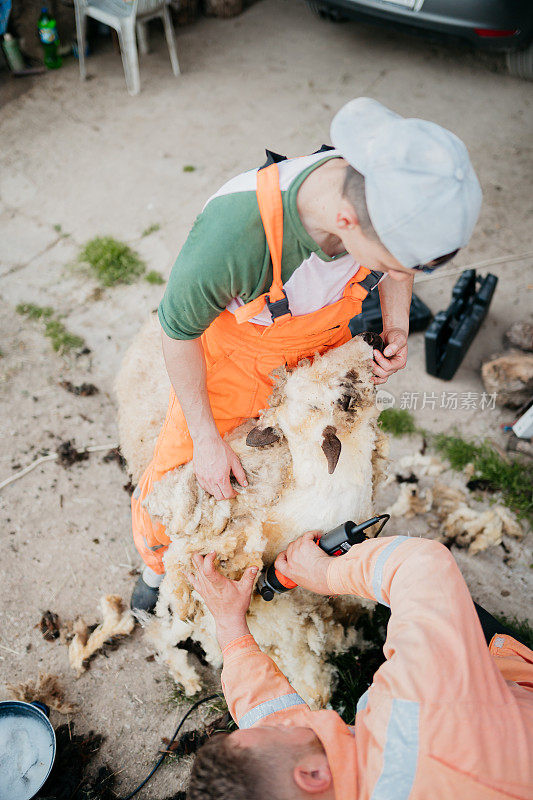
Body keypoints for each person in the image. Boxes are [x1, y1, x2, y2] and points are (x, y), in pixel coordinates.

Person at [130, 98, 482, 611]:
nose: (397, 269)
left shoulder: (373, 186)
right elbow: (177, 333)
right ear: (346, 221)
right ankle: (155, 567)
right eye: (391, 257)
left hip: (322, 356)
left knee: (327, 476)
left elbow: (396, 267)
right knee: (180, 484)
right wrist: (207, 440)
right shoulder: (234, 237)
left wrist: (397, 322)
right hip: (236, 365)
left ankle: (289, 566)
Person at [185, 533, 533, 800]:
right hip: (484, 730)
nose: (283, 724)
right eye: (278, 732)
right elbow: (423, 567)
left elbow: (268, 730)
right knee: (448, 618)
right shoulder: (412, 718)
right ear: (312, 776)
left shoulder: (319, 782)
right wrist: (328, 573)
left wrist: (231, 627)